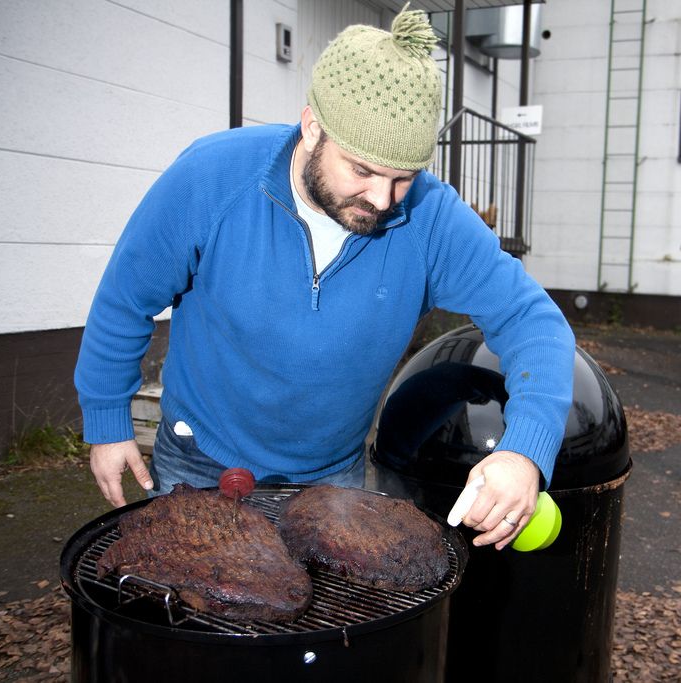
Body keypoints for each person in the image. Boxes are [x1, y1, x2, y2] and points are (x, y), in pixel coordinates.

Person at [74, 6, 574, 551]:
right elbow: (126, 298)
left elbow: (532, 320)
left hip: (331, 478)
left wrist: (525, 450)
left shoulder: (432, 220)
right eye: (362, 170)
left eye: (402, 178)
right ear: (312, 127)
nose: (383, 200)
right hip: (200, 458)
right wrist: (106, 420)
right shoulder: (211, 178)